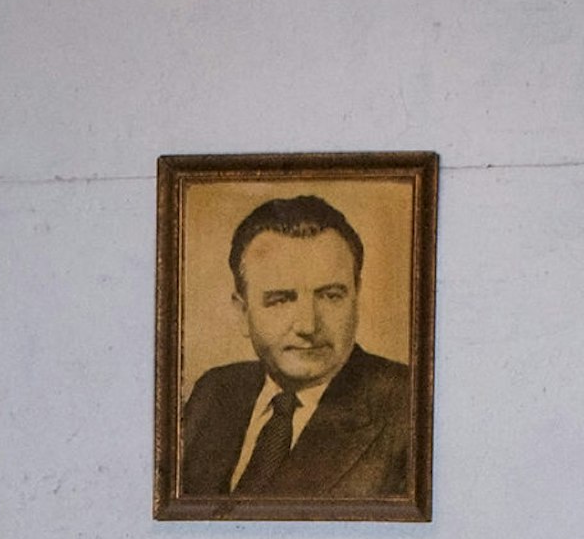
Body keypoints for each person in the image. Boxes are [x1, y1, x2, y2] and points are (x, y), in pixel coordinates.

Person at [174, 194, 415, 501]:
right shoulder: (215, 391)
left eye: (330, 296)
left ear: (356, 297)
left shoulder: (408, 407)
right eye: (281, 299)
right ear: (241, 312)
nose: (308, 326)